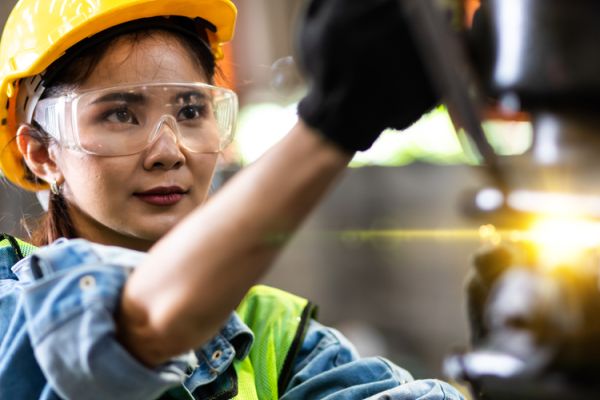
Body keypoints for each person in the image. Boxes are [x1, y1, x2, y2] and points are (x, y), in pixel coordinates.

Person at [0, 0, 464, 399]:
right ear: (42, 153)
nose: (168, 151)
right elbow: (126, 330)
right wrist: (336, 122)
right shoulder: (9, 300)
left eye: (191, 110)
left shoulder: (272, 332)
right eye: (120, 114)